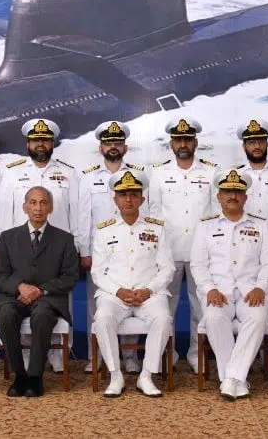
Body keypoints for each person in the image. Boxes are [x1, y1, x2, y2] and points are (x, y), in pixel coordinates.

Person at [0, 118, 79, 373]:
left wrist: (80, 247)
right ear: (27, 143)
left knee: (59, 299)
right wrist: (1, 248)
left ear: (52, 143)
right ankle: (28, 359)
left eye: (45, 139)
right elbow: (3, 211)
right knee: (19, 303)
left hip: (57, 248)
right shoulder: (12, 172)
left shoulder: (69, 172)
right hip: (19, 250)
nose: (40, 143)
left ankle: (58, 355)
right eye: (36, 140)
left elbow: (76, 212)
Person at [192, 169, 268, 400]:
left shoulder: (260, 226)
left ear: (245, 197)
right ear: (218, 196)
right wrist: (209, 289)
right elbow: (198, 265)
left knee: (258, 317)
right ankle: (236, 379)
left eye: (238, 192)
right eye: (227, 191)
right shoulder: (205, 227)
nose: (233, 196)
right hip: (218, 291)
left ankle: (231, 378)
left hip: (252, 291)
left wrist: (261, 287)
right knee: (213, 318)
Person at [0, 187, 81, 397]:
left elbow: (70, 277)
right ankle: (19, 374)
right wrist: (20, 286)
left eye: (42, 203)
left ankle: (35, 376)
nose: (38, 208)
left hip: (47, 298)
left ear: (50, 207)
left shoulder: (64, 239)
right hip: (15, 296)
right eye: (33, 202)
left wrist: (40, 290)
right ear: (24, 207)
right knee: (6, 314)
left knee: (41, 315)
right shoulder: (7, 237)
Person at [90, 170, 172, 397]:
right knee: (103, 318)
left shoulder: (156, 228)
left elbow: (167, 268)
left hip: (149, 294)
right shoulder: (104, 230)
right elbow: (98, 272)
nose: (129, 200)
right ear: (115, 199)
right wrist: (119, 291)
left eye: (134, 195)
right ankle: (116, 375)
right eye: (123, 195)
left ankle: (146, 375)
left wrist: (148, 290)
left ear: (142, 199)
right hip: (115, 295)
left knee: (163, 319)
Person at [74, 120, 148, 374]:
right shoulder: (88, 177)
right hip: (99, 252)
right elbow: (83, 217)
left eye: (117, 142)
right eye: (108, 143)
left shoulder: (138, 175)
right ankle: (98, 356)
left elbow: (145, 213)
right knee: (98, 306)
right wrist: (84, 251)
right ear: (101, 147)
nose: (113, 147)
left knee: (132, 301)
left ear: (125, 147)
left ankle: (129, 356)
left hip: (132, 250)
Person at [148, 116, 218, 373]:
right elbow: (153, 214)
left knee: (201, 306)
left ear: (195, 142)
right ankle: (168, 353)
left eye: (188, 139)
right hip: (169, 250)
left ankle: (195, 353)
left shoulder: (211, 171)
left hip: (202, 251)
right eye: (179, 139)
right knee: (167, 305)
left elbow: (214, 215)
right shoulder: (159, 173)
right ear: (171, 143)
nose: (183, 143)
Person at [231, 119, 268, 360]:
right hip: (242, 255)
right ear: (244, 146)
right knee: (242, 302)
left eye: (260, 141)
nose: (256, 146)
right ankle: (243, 355)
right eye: (251, 142)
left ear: (267, 143)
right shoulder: (234, 176)